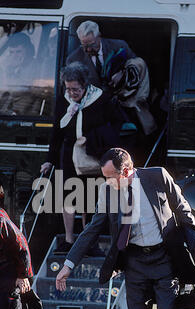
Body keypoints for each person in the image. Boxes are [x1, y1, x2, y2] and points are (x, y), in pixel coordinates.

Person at [56, 148, 195, 309]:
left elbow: (183, 209)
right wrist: (68, 264)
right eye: (105, 177)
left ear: (128, 171)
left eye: (112, 176)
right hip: (134, 263)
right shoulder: (107, 192)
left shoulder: (157, 177)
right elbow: (92, 229)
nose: (108, 182)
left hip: (164, 259)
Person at [40, 62, 125, 255]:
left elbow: (118, 123)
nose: (71, 93)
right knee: (68, 197)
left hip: (91, 153)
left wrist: (97, 138)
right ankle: (70, 240)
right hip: (68, 154)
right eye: (68, 89)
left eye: (75, 89)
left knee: (89, 197)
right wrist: (49, 160)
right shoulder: (64, 100)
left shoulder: (101, 98)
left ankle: (89, 242)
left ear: (84, 85)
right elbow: (57, 132)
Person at [66, 21, 136, 91]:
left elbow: (138, 66)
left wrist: (123, 74)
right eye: (84, 46)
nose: (89, 49)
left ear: (99, 36)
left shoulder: (119, 46)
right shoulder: (73, 60)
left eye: (92, 45)